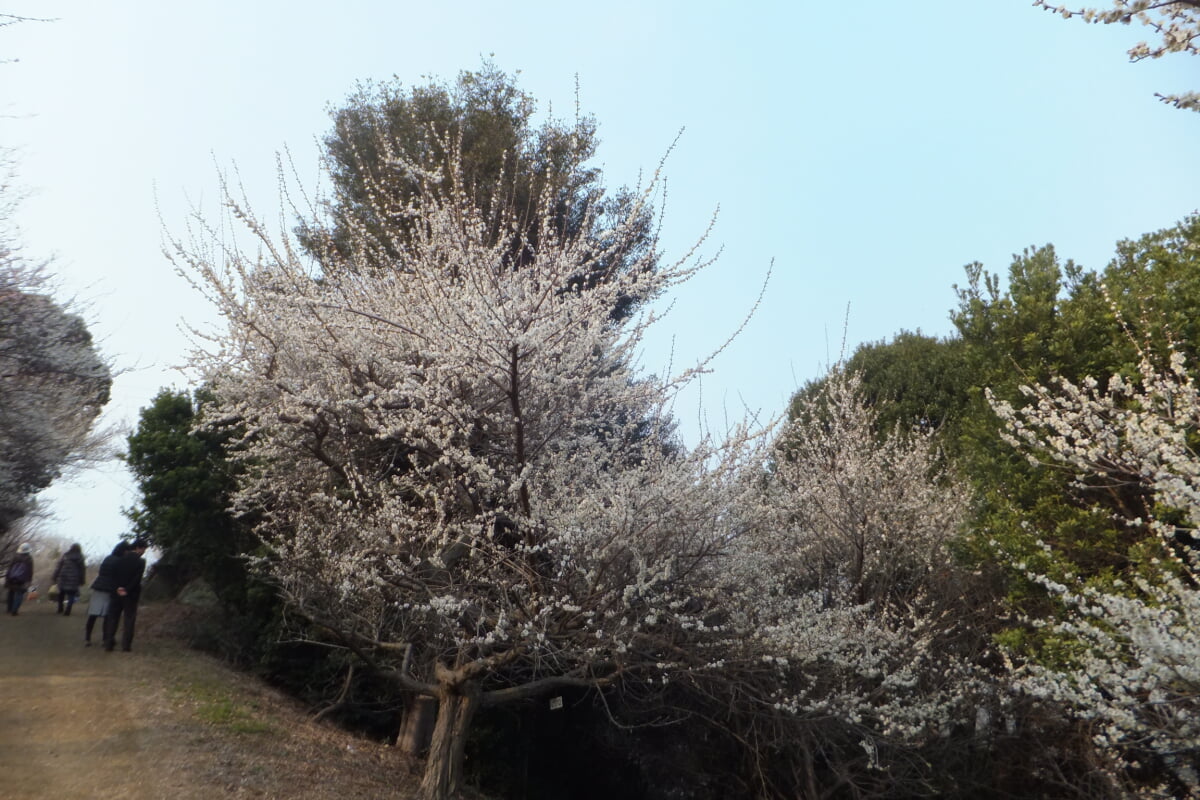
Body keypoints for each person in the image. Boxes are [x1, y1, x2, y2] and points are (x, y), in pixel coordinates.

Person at [102, 538, 148, 652]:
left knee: (113, 618)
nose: (144, 552)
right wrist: (127, 589)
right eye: (144, 549)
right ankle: (126, 645)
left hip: (116, 593)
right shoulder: (141, 562)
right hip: (131, 594)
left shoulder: (118, 560)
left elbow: (112, 577)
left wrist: (118, 588)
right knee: (129, 619)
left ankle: (108, 643)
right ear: (138, 548)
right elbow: (137, 578)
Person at [85, 541, 128, 646]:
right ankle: (106, 639)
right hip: (109, 588)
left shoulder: (108, 558)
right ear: (124, 551)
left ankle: (87, 638)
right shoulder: (120, 561)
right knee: (107, 615)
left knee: (93, 614)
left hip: (98, 586)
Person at [52, 543, 87, 615]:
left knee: (61, 593)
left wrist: (55, 576)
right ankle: (68, 610)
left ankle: (60, 608)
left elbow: (59, 566)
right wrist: (82, 580)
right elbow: (82, 569)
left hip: (63, 576)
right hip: (74, 578)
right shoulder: (80, 557)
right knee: (71, 594)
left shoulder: (65, 555)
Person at [5, 542, 35, 616]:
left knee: (11, 593)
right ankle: (14, 610)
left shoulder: (15, 557)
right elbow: (30, 571)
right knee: (19, 594)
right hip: (22, 579)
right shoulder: (29, 559)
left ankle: (9, 609)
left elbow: (10, 568)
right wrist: (29, 580)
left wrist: (7, 577)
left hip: (12, 578)